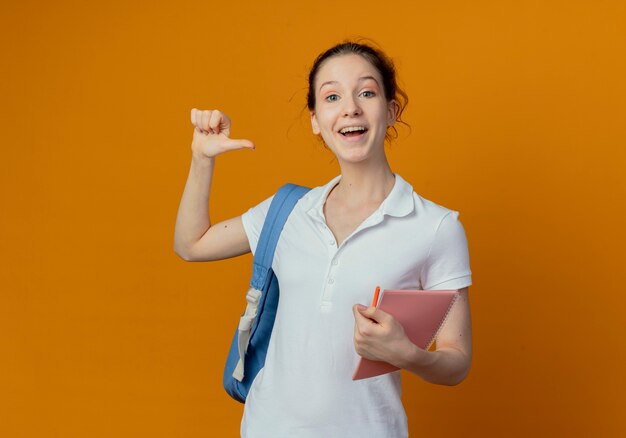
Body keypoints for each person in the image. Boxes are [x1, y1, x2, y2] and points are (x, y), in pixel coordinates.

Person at [174, 41, 473, 438]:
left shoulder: (435, 227)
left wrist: (409, 355)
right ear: (316, 119)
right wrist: (201, 158)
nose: (350, 107)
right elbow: (191, 244)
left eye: (366, 92)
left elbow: (457, 361)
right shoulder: (288, 211)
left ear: (391, 110)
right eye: (332, 96)